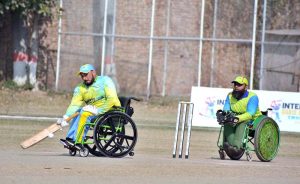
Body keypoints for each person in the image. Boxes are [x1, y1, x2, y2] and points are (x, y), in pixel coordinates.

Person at [58, 64, 121, 149]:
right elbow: (74, 105)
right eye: (82, 76)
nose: (84, 78)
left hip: (110, 110)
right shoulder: (80, 88)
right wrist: (66, 117)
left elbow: (112, 99)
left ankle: (78, 141)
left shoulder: (105, 80)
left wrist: (99, 110)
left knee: (84, 113)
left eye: (86, 75)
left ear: (93, 72)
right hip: (92, 111)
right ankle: (70, 139)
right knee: (78, 111)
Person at [221, 76, 262, 151]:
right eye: (235, 84)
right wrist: (224, 114)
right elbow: (226, 108)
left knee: (242, 123)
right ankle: (233, 145)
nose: (236, 86)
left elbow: (250, 114)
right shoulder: (230, 95)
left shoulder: (253, 97)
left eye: (239, 85)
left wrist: (237, 118)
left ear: (246, 87)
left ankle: (236, 148)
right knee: (226, 122)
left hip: (252, 120)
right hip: (234, 118)